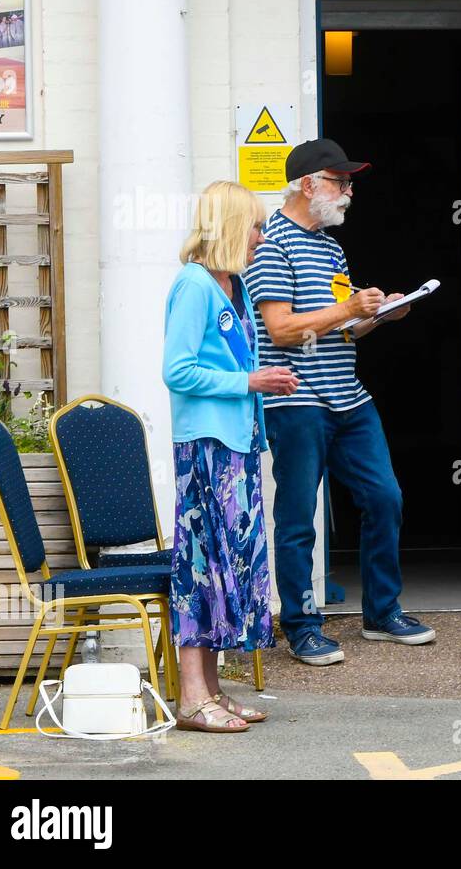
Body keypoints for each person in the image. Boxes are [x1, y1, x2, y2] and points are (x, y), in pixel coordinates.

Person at [244, 138, 435, 666]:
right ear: (308, 185)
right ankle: (302, 624)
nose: (349, 192)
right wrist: (349, 306)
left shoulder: (330, 246)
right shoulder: (271, 243)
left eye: (349, 183)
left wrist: (381, 314)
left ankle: (381, 612)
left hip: (348, 396)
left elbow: (341, 329)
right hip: (296, 399)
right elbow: (281, 329)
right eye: (339, 181)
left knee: (385, 497)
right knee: (299, 514)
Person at [163, 180, 299, 732]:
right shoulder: (193, 285)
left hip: (237, 444)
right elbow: (177, 370)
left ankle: (213, 692)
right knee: (203, 564)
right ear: (226, 227)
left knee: (229, 566)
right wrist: (248, 381)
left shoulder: (233, 285)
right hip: (206, 447)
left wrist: (254, 391)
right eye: (254, 226)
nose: (260, 237)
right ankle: (193, 699)